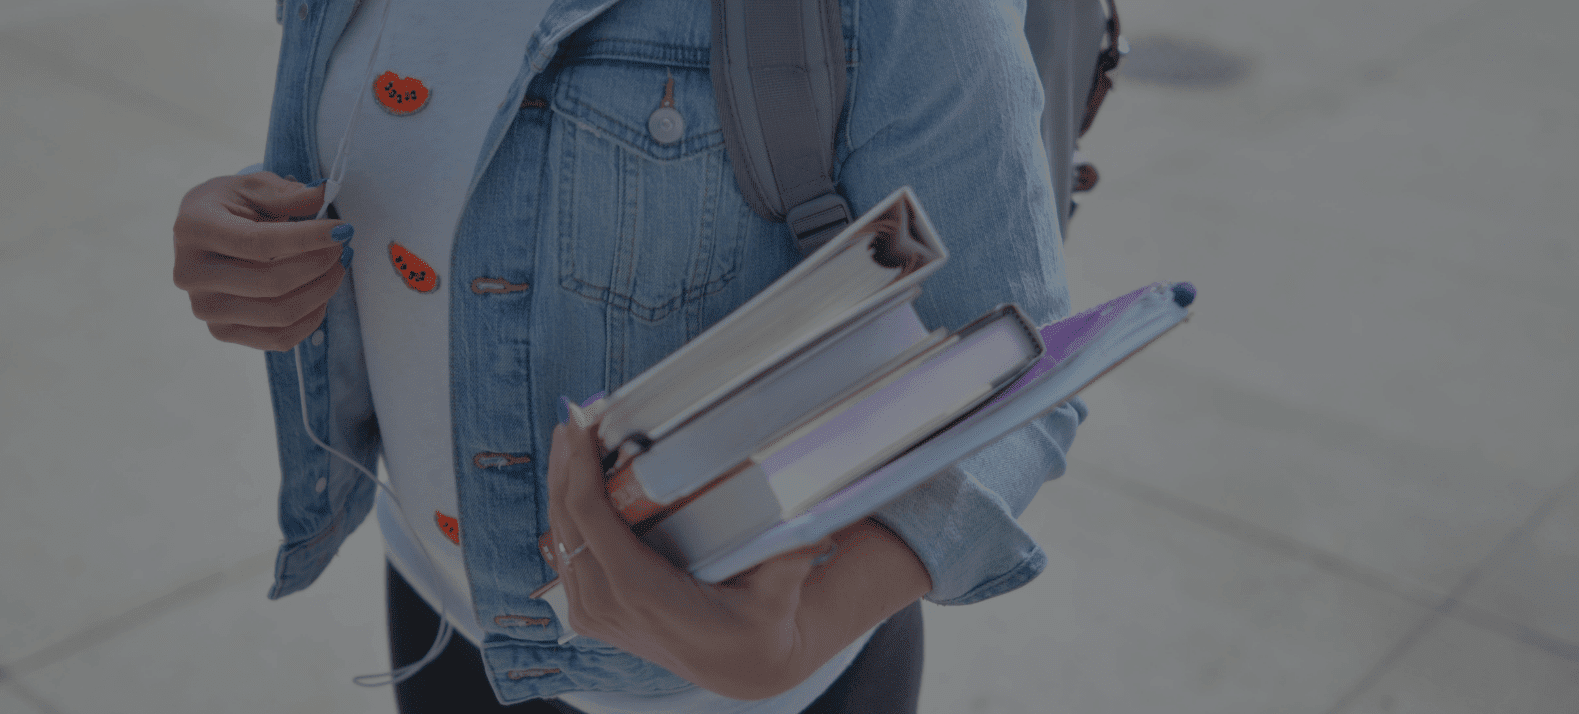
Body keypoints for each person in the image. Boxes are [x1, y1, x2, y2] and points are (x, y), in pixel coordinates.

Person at [171, 0, 1088, 711]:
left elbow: (1013, 360)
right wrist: (246, 251)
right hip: (439, 608)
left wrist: (804, 631)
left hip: (731, 697)